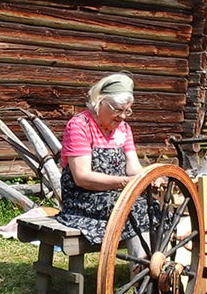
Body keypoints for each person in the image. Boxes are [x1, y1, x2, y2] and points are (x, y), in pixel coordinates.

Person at [56, 71, 147, 248]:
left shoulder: (124, 129)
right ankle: (142, 269)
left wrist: (151, 177)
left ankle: (156, 265)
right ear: (99, 103)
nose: (122, 116)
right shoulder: (80, 125)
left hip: (116, 196)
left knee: (152, 207)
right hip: (83, 200)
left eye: (127, 110)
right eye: (118, 110)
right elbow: (82, 177)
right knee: (132, 209)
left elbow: (133, 167)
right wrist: (124, 182)